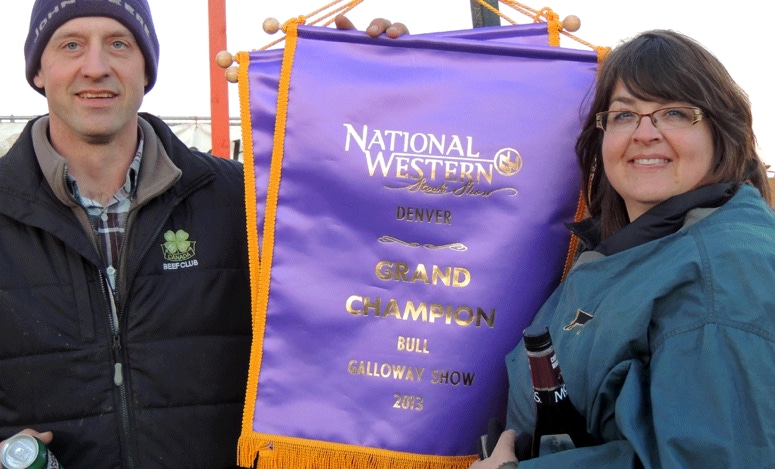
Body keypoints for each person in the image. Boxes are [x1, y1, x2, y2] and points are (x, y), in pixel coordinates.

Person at [0, 1, 406, 467]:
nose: (96, 67)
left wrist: (382, 100)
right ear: (37, 71)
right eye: (71, 45)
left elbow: (368, 278)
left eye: (119, 44)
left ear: (146, 69)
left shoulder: (245, 200)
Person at [472, 30, 775, 468]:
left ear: (720, 131)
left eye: (673, 113)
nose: (644, 133)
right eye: (623, 115)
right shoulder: (625, 251)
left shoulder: (726, 274)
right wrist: (383, 62)